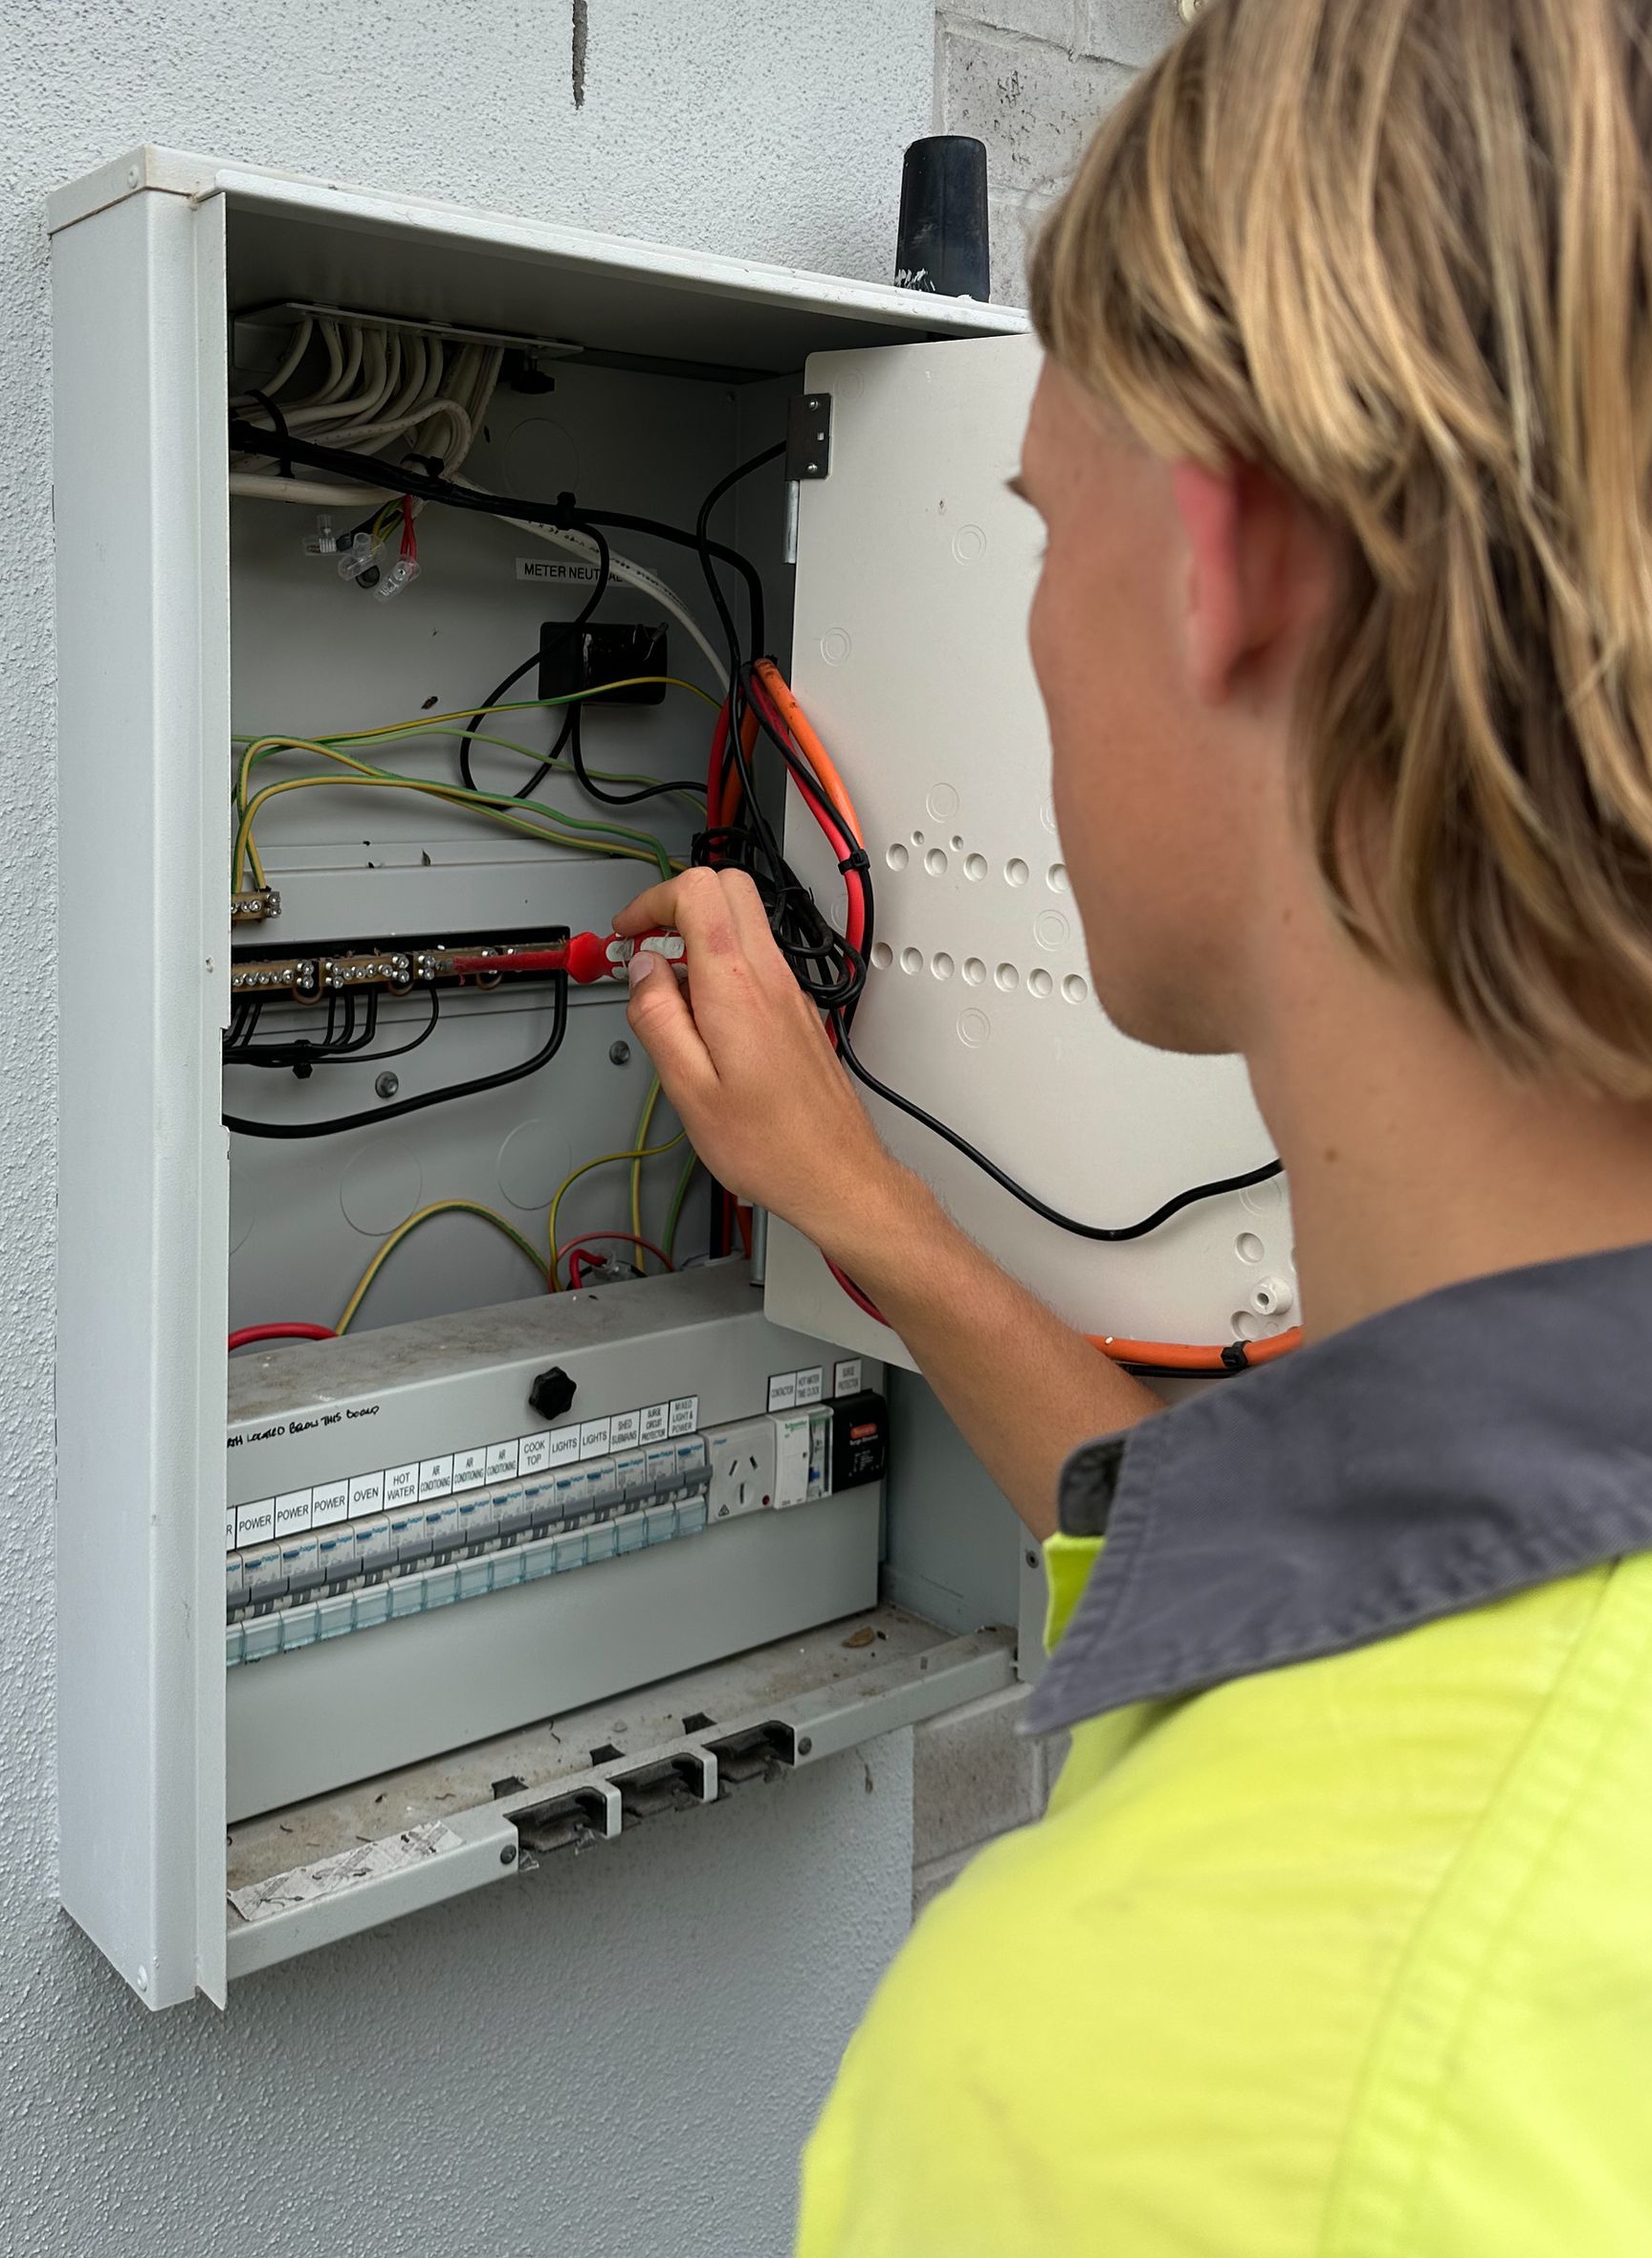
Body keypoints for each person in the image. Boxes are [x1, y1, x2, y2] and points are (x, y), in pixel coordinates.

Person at [614, 0, 1652, 2247]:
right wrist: (862, 1206)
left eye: (1032, 526)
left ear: (1233, 558)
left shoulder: (1119, 2102)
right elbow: (1317, 1581)